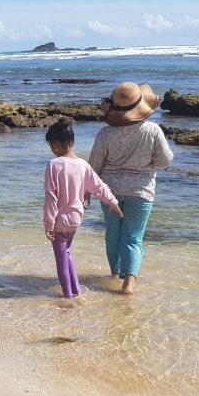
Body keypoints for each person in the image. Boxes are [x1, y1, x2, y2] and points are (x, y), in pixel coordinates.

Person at [88, 82, 174, 295]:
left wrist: (86, 192)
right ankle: (129, 283)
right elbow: (164, 160)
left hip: (110, 192)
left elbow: (93, 167)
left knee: (113, 234)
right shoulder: (152, 130)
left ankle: (114, 274)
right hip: (141, 192)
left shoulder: (105, 134)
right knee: (133, 237)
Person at [44, 117, 124, 298]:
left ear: (55, 145)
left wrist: (48, 224)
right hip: (76, 218)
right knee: (67, 253)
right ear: (72, 142)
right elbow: (99, 187)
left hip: (60, 220)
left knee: (61, 259)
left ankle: (68, 296)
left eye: (52, 145)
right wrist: (113, 203)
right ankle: (76, 291)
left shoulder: (53, 165)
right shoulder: (83, 165)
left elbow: (51, 197)